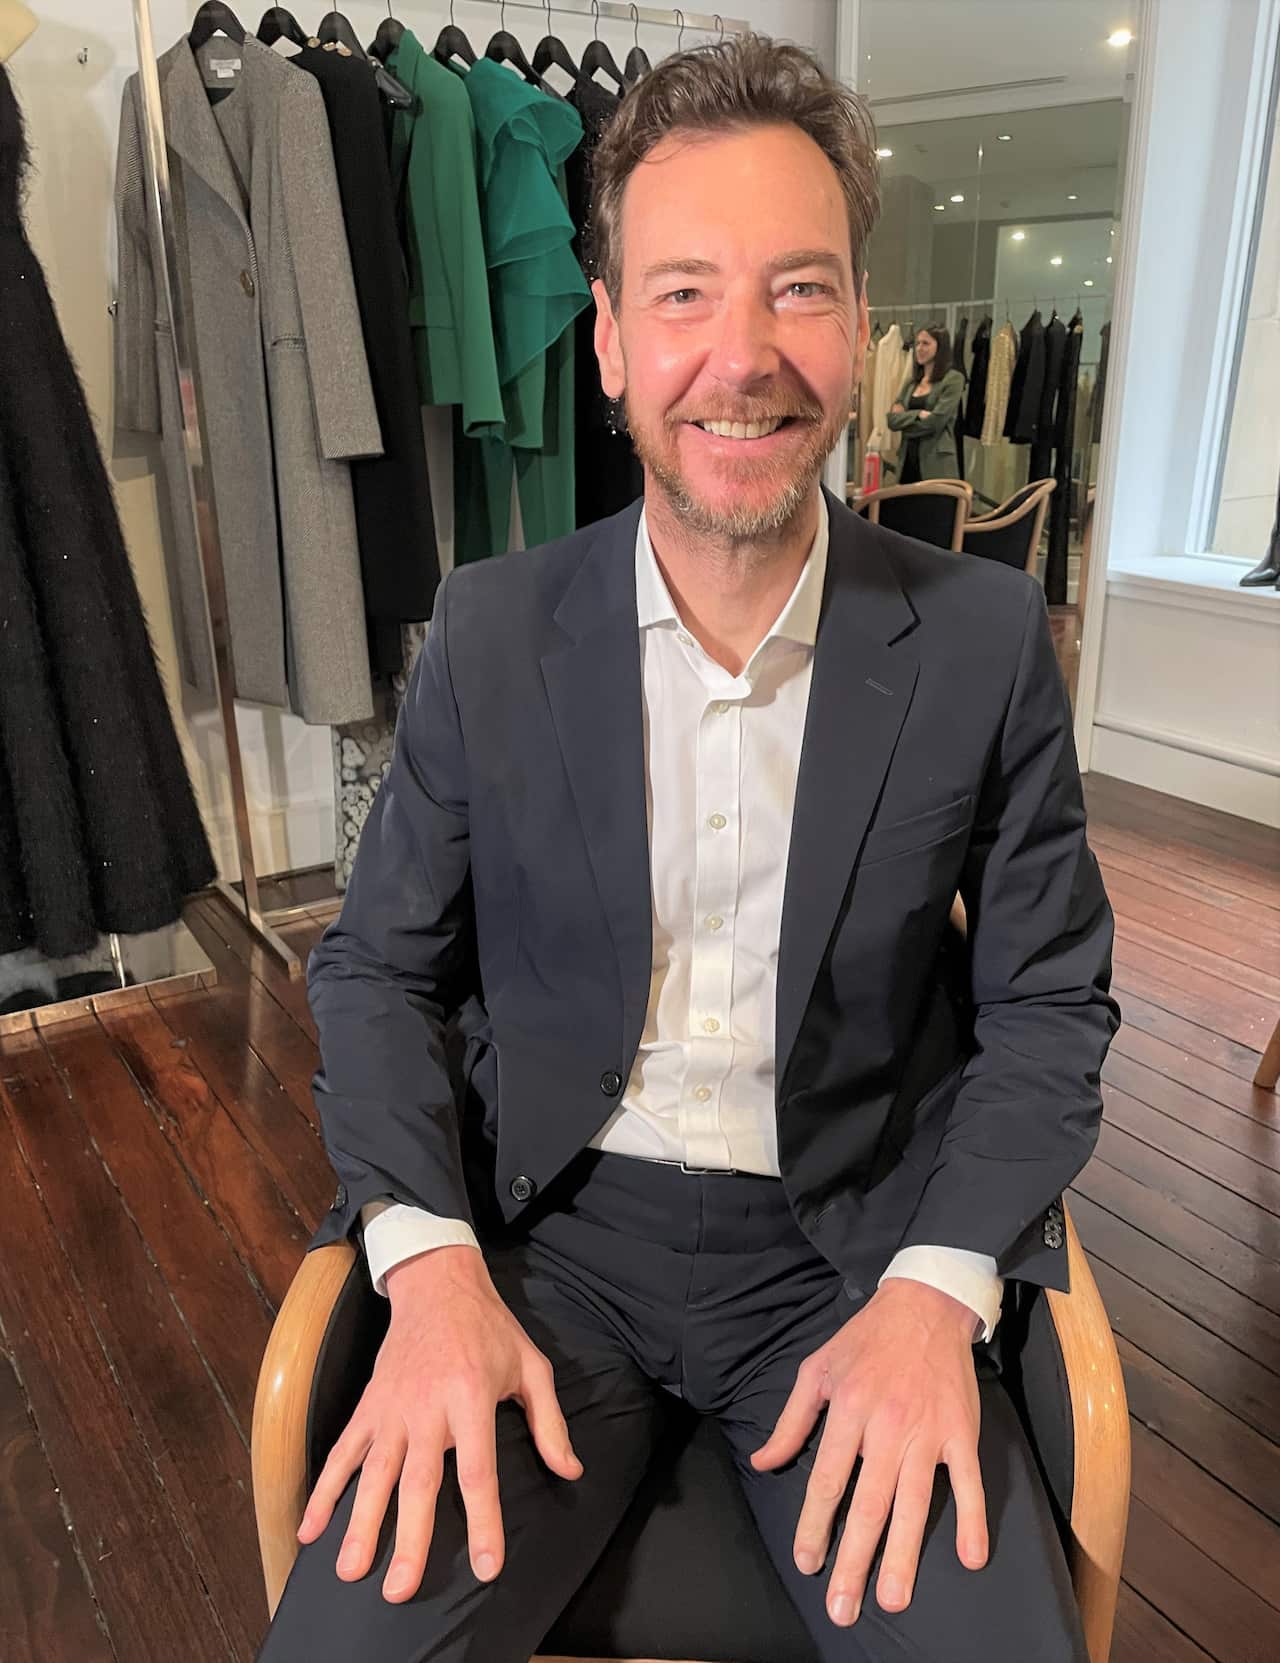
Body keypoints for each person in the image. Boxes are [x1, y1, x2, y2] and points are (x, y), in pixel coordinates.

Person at [257, 33, 1118, 1663]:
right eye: (683, 294)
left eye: (800, 289)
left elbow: (1050, 1008)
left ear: (860, 328)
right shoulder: (492, 627)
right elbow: (377, 966)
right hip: (546, 1243)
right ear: (605, 343)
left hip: (851, 1249)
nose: (744, 355)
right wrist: (426, 1262)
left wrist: (942, 1285)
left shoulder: (986, 638)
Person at [886, 325, 966, 482]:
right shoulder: (911, 383)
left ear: (940, 346)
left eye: (926, 343)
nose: (919, 348)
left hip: (936, 464)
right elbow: (892, 421)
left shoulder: (953, 379)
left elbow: (936, 422)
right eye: (917, 343)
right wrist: (918, 414)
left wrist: (905, 421)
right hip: (908, 460)